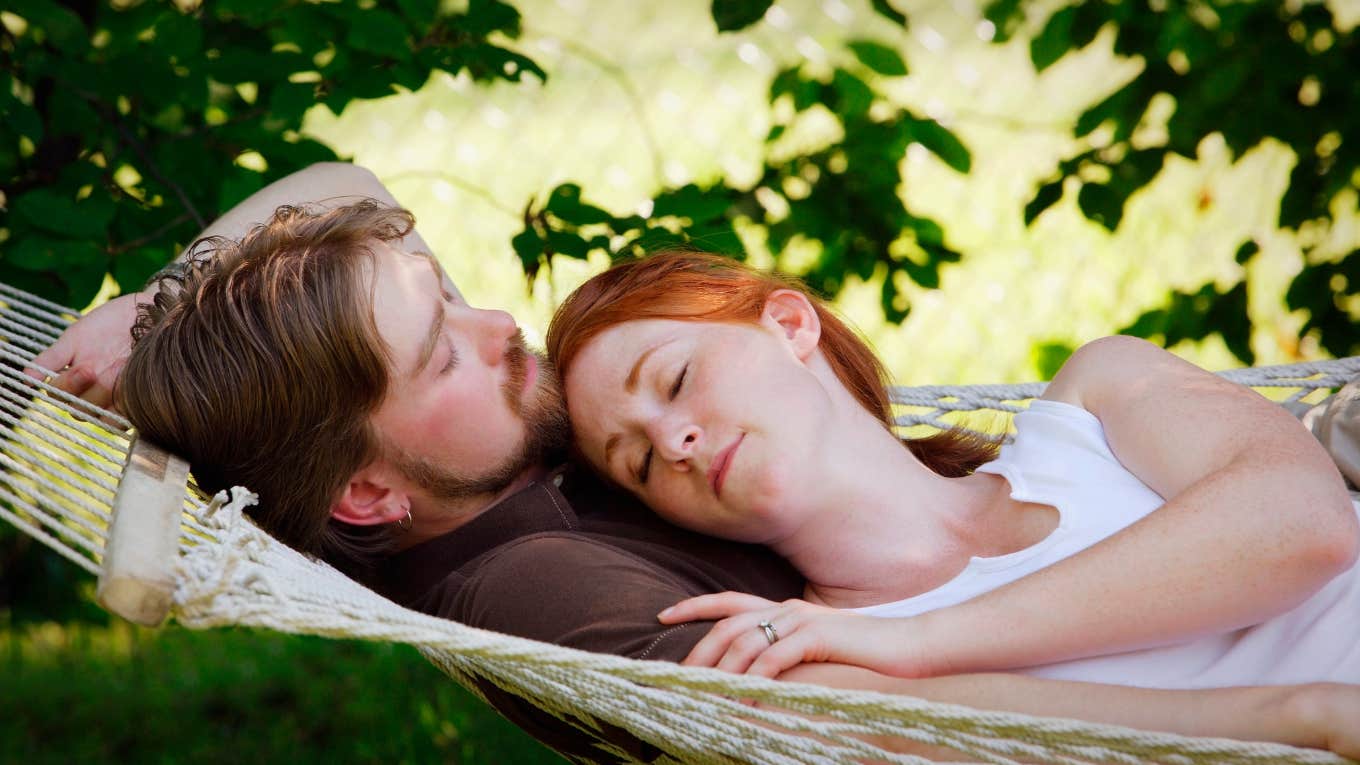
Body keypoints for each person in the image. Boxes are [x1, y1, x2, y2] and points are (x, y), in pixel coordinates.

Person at [31, 164, 1360, 758]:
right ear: (366, 496)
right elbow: (875, 728)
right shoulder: (531, 588)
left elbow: (341, 174)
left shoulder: (1096, 395)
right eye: (445, 349)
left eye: (457, 295)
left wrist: (148, 320)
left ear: (788, 323)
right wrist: (1289, 725)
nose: (504, 331)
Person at [548, 251, 1360, 676]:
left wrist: (928, 639)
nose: (674, 442)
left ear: (790, 324)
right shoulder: (830, 661)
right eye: (640, 463)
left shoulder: (1098, 399)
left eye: (674, 378)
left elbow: (1308, 526)